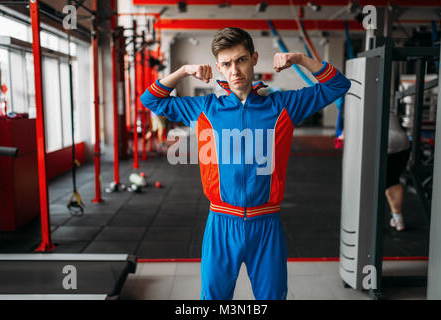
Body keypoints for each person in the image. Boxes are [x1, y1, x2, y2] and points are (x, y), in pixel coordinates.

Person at [140, 27, 351, 300]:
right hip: (221, 222)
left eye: (241, 60)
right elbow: (150, 99)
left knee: (273, 297)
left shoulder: (283, 105)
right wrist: (183, 71)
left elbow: (339, 86)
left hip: (266, 224)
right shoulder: (206, 108)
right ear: (218, 67)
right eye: (226, 64)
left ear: (254, 58)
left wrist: (300, 58)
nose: (235, 70)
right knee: (213, 299)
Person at [386, 111, 411, 231]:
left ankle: (370, 221)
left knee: (380, 183)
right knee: (393, 181)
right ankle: (398, 219)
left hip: (387, 142)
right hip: (404, 141)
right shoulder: (388, 111)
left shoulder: (362, 106)